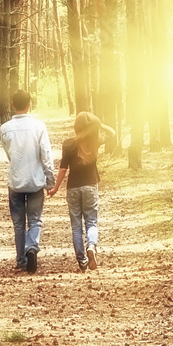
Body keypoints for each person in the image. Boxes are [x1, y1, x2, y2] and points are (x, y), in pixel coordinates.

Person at [48, 111, 115, 272]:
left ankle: (82, 261)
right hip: (90, 185)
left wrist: (55, 188)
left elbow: (63, 169)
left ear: (75, 127)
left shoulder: (68, 144)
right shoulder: (95, 141)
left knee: (76, 226)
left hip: (73, 188)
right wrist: (98, 124)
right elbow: (112, 133)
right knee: (91, 222)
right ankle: (91, 246)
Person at [0, 89, 55, 274]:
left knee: (18, 223)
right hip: (35, 180)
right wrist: (50, 179)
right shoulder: (39, 127)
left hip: (15, 181)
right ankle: (31, 246)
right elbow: (45, 154)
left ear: (13, 105)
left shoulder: (5, 128)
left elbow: (9, 153)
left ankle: (21, 260)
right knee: (35, 220)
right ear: (29, 104)